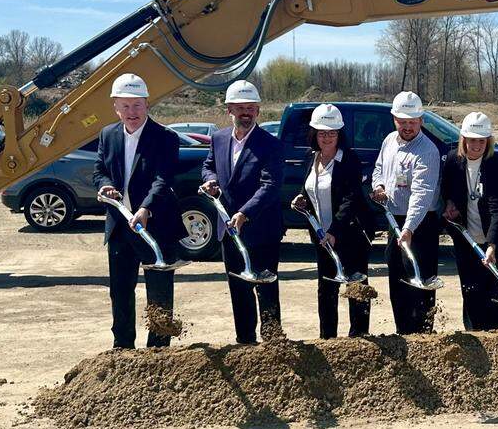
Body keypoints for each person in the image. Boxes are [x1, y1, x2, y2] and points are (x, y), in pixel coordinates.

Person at [93, 73, 185, 349]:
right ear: (116, 107)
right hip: (121, 227)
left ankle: (158, 351)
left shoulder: (165, 138)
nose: (131, 112)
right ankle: (122, 347)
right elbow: (99, 171)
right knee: (120, 291)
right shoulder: (107, 135)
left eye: (137, 105)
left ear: (147, 104)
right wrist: (106, 186)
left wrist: (146, 208)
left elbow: (163, 178)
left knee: (159, 293)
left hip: (156, 227)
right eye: (125, 106)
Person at [200, 80, 286, 344]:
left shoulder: (271, 144)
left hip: (262, 229)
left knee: (266, 287)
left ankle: (273, 342)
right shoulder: (218, 138)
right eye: (240, 108)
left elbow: (270, 185)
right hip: (228, 227)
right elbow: (208, 165)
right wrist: (209, 179)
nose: (245, 112)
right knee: (238, 288)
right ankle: (245, 341)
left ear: (258, 111)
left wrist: (245, 213)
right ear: (229, 109)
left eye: (250, 108)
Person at [291, 104, 376, 338]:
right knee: (327, 288)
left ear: (339, 134)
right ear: (314, 135)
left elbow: (350, 199)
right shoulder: (312, 157)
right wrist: (301, 197)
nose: (327, 138)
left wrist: (334, 230)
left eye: (332, 133)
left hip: (350, 235)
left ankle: (359, 338)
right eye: (322, 133)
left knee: (356, 287)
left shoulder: (349, 160)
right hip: (323, 237)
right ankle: (327, 338)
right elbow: (309, 187)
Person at [441, 111, 498, 331]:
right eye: (472, 140)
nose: (477, 145)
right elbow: (448, 190)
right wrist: (449, 203)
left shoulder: (494, 166)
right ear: (464, 139)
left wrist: (492, 245)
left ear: (488, 142)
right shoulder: (453, 161)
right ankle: (474, 337)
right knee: (471, 291)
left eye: (482, 141)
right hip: (467, 238)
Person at [371, 91, 442, 334]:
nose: (407, 127)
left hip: (420, 224)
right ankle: (403, 331)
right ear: (394, 119)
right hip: (394, 220)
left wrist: (409, 228)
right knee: (397, 276)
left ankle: (423, 335)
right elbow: (379, 168)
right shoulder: (389, 140)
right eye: (403, 121)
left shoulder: (427, 151)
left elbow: (421, 195)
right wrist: (378, 186)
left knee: (419, 280)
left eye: (412, 122)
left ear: (421, 120)